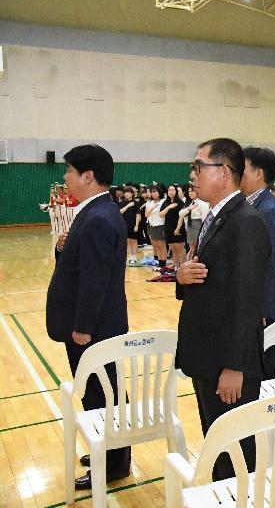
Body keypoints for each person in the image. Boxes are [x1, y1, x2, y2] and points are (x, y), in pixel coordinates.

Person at [176, 138, 270, 481]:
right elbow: (206, 279)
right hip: (208, 353)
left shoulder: (245, 221)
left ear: (225, 172)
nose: (193, 174)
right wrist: (182, 277)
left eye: (200, 166)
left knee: (235, 454)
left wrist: (234, 366)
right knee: (217, 442)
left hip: (228, 362)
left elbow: (246, 300)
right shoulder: (216, 217)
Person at [46, 144, 131, 490]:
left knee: (101, 395)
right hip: (100, 325)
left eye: (68, 171)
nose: (65, 178)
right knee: (102, 393)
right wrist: (65, 246)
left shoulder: (97, 217)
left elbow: (94, 281)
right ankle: (111, 452)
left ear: (87, 176)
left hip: (93, 330)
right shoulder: (97, 212)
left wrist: (81, 328)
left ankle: (112, 464)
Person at [241, 147, 275, 379]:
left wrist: (258, 307)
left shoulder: (268, 209)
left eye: (242, 168)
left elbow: (269, 263)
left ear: (258, 173)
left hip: (263, 305)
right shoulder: (250, 204)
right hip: (254, 303)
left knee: (264, 371)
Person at [160, 184, 187, 271]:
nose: (171, 192)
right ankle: (175, 264)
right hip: (168, 227)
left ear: (176, 192)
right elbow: (161, 215)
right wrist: (168, 207)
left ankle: (182, 265)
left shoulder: (180, 203)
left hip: (178, 228)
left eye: (173, 190)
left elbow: (182, 217)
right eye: (169, 190)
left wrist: (178, 228)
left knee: (180, 247)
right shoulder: (165, 203)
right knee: (173, 247)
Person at [177, 185, 209, 258]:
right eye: (189, 191)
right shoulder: (190, 203)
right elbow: (181, 214)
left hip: (198, 227)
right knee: (192, 248)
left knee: (197, 249)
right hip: (190, 227)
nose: (190, 193)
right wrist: (189, 208)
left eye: (192, 191)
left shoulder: (202, 203)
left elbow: (205, 219)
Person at [144, 184, 168, 270]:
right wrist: (153, 207)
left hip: (160, 224)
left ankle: (163, 265)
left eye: (155, 192)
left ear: (159, 192)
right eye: (152, 192)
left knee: (162, 245)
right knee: (155, 245)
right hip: (151, 224)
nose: (153, 194)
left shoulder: (163, 201)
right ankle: (159, 262)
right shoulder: (150, 202)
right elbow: (146, 215)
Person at [118, 186, 141, 265]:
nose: (127, 194)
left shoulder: (136, 203)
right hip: (125, 225)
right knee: (127, 242)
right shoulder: (122, 203)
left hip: (133, 225)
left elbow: (138, 214)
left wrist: (137, 225)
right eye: (125, 193)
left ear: (132, 194)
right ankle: (129, 257)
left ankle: (134, 257)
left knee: (134, 241)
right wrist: (128, 206)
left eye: (128, 192)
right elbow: (120, 212)